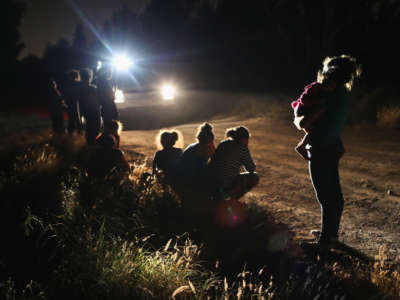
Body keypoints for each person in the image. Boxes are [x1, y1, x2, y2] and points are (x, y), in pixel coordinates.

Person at [296, 54, 362, 251]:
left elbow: (303, 122)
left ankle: (325, 242)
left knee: (326, 196)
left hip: (320, 147)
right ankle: (330, 234)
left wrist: (303, 121)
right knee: (335, 196)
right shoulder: (344, 93)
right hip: (332, 146)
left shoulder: (326, 93)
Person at [208, 126, 259, 201]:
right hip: (227, 183)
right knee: (254, 177)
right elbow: (251, 168)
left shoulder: (223, 143)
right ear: (245, 139)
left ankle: (221, 196)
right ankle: (231, 200)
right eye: (248, 139)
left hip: (211, 180)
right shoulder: (242, 148)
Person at [291, 80, 336, 159]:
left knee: (313, 131)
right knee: (321, 110)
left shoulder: (322, 89)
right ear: (326, 83)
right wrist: (316, 102)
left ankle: (302, 146)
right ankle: (302, 146)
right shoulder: (316, 87)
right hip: (301, 109)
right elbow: (303, 99)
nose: (333, 88)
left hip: (305, 110)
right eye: (332, 85)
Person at [176, 123, 215, 191]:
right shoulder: (205, 147)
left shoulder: (193, 146)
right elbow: (214, 160)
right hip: (190, 177)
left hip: (181, 175)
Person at [79, 68, 101, 145]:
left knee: (89, 129)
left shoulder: (79, 88)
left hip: (86, 111)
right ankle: (93, 145)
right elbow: (98, 99)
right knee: (95, 129)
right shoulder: (93, 88)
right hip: (94, 111)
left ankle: (90, 145)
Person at [95, 66, 119, 131]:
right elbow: (109, 96)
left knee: (108, 125)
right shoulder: (104, 82)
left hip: (105, 106)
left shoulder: (100, 82)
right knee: (111, 125)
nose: (110, 73)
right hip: (108, 106)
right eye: (109, 72)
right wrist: (113, 96)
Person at [62, 69, 82, 135]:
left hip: (70, 103)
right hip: (76, 103)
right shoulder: (78, 84)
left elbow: (65, 94)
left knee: (71, 119)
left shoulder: (68, 84)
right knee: (77, 119)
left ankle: (71, 132)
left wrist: (63, 101)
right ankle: (79, 132)